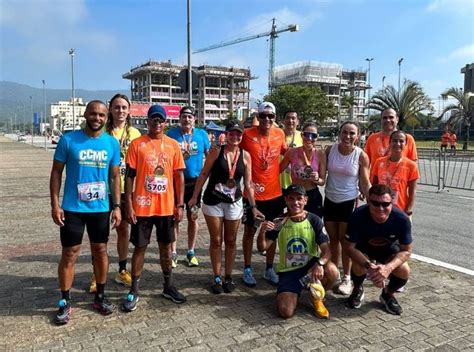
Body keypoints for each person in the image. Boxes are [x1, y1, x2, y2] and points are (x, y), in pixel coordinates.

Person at [50, 100, 121, 325]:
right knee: (70, 254)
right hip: (73, 208)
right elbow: (56, 173)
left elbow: (114, 177)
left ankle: (100, 296)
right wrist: (54, 204)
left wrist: (117, 206)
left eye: (101, 115)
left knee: (100, 251)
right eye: (93, 114)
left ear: (106, 117)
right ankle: (64, 301)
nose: (97, 118)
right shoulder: (68, 140)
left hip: (101, 208)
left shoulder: (111, 143)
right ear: (85, 114)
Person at [121, 105, 186, 312]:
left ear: (166, 123)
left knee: (166, 248)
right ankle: (134, 290)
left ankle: (168, 286)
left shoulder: (173, 145)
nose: (157, 123)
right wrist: (129, 205)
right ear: (147, 121)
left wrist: (180, 204)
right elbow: (129, 177)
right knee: (140, 248)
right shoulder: (137, 144)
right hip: (142, 207)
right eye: (153, 119)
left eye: (160, 120)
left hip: (166, 207)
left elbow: (179, 177)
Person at [188, 120, 263, 293]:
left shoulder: (245, 156)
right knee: (216, 240)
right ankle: (216, 276)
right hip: (213, 200)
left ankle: (228, 276)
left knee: (231, 240)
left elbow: (249, 183)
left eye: (238, 134)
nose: (235, 136)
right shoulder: (216, 151)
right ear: (226, 134)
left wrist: (253, 206)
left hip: (234, 202)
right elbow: (204, 174)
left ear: (242, 136)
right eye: (232, 133)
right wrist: (194, 197)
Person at [256, 184, 338, 319]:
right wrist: (262, 232)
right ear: (286, 200)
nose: (296, 202)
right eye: (291, 199)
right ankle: (293, 292)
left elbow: (326, 250)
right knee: (286, 312)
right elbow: (262, 247)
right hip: (289, 271)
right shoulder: (279, 221)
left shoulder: (314, 220)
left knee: (333, 271)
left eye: (299, 198)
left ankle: (316, 296)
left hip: (309, 267)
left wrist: (320, 263)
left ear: (305, 200)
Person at [87, 94, 141, 294]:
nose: (120, 111)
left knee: (123, 231)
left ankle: (121, 270)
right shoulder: (101, 132)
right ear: (110, 109)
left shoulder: (135, 133)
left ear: (129, 110)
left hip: (126, 189)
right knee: (99, 235)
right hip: (102, 189)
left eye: (124, 107)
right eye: (116, 107)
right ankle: (96, 273)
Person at [240, 101, 288, 286]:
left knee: (273, 232)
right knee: (249, 232)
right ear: (257, 117)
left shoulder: (280, 134)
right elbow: (235, 150)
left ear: (275, 118)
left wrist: (278, 170)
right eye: (263, 115)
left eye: (271, 116)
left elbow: (288, 153)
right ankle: (247, 268)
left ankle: (269, 269)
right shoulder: (247, 135)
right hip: (252, 195)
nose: (267, 119)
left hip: (274, 194)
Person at [345, 184, 412, 315]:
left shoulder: (402, 219)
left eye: (385, 204)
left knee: (404, 270)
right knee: (359, 266)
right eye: (375, 204)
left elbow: (407, 251)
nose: (381, 208)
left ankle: (388, 294)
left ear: (391, 202)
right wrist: (369, 266)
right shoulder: (357, 215)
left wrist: (388, 268)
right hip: (364, 250)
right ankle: (357, 289)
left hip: (389, 250)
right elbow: (348, 247)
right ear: (369, 201)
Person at [324, 121, 371, 296]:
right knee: (333, 239)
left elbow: (364, 182)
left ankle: (347, 277)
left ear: (357, 136)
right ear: (339, 133)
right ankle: (334, 273)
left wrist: (372, 200)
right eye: (345, 132)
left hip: (348, 202)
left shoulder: (361, 156)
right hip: (329, 200)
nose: (348, 136)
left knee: (346, 242)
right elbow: (320, 171)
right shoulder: (330, 150)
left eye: (352, 133)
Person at [167, 106, 210, 268]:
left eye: (190, 117)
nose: (187, 119)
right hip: (176, 182)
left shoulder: (201, 135)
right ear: (180, 118)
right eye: (184, 116)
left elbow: (209, 157)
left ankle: (191, 252)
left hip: (194, 183)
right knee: (175, 218)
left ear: (194, 119)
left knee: (193, 217)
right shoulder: (171, 134)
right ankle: (173, 252)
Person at [280, 121, 326, 217]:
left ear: (317, 137)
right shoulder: (291, 153)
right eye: (306, 134)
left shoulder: (320, 154)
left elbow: (322, 181)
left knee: (313, 227)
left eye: (313, 136)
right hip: (295, 195)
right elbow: (277, 170)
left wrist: (317, 179)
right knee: (294, 225)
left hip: (312, 195)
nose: (309, 138)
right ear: (301, 135)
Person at [371, 130, 419, 216]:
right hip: (380, 207)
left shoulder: (411, 165)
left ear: (406, 144)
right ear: (390, 142)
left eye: (401, 141)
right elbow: (374, 185)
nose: (398, 144)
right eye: (394, 140)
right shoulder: (379, 162)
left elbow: (413, 191)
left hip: (400, 209)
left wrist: (409, 209)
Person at [280, 110, 303, 191]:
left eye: (293, 118)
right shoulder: (277, 135)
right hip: (278, 182)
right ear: (283, 121)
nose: (290, 121)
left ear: (298, 122)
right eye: (288, 118)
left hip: (296, 182)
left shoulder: (302, 136)